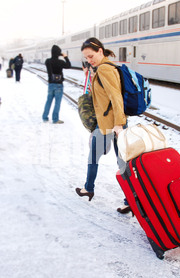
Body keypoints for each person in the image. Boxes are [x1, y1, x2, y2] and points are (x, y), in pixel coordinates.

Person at [75, 37, 130, 214]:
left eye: (91, 56)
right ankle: (131, 200)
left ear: (100, 50)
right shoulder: (103, 68)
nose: (89, 60)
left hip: (109, 124)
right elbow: (102, 94)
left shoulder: (105, 69)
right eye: (87, 58)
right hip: (113, 123)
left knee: (94, 158)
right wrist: (88, 75)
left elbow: (116, 97)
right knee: (122, 163)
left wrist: (119, 124)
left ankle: (88, 188)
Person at [42, 45, 71, 124]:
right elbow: (69, 65)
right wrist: (65, 57)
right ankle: (55, 119)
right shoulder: (60, 62)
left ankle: (45, 117)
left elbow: (51, 62)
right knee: (57, 103)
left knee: (48, 101)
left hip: (51, 84)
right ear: (59, 53)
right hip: (59, 85)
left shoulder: (47, 61)